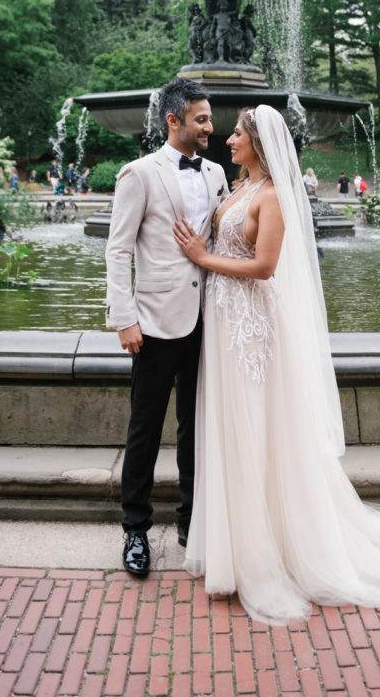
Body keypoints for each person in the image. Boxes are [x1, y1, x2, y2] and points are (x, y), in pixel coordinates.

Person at [173, 106, 380, 625]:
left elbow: (265, 267)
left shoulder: (271, 197)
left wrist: (204, 260)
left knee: (254, 433)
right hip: (224, 329)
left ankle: (262, 555)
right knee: (228, 431)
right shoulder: (236, 189)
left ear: (259, 144)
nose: (229, 140)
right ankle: (229, 549)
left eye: (239, 135)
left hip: (251, 334)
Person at [105, 78, 229, 578]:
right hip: (153, 322)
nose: (210, 126)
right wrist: (124, 317)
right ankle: (135, 529)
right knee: (145, 427)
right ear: (173, 120)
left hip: (211, 321)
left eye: (210, 117)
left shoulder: (218, 171)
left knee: (197, 428)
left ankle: (190, 520)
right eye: (200, 118)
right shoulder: (138, 174)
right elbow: (118, 249)